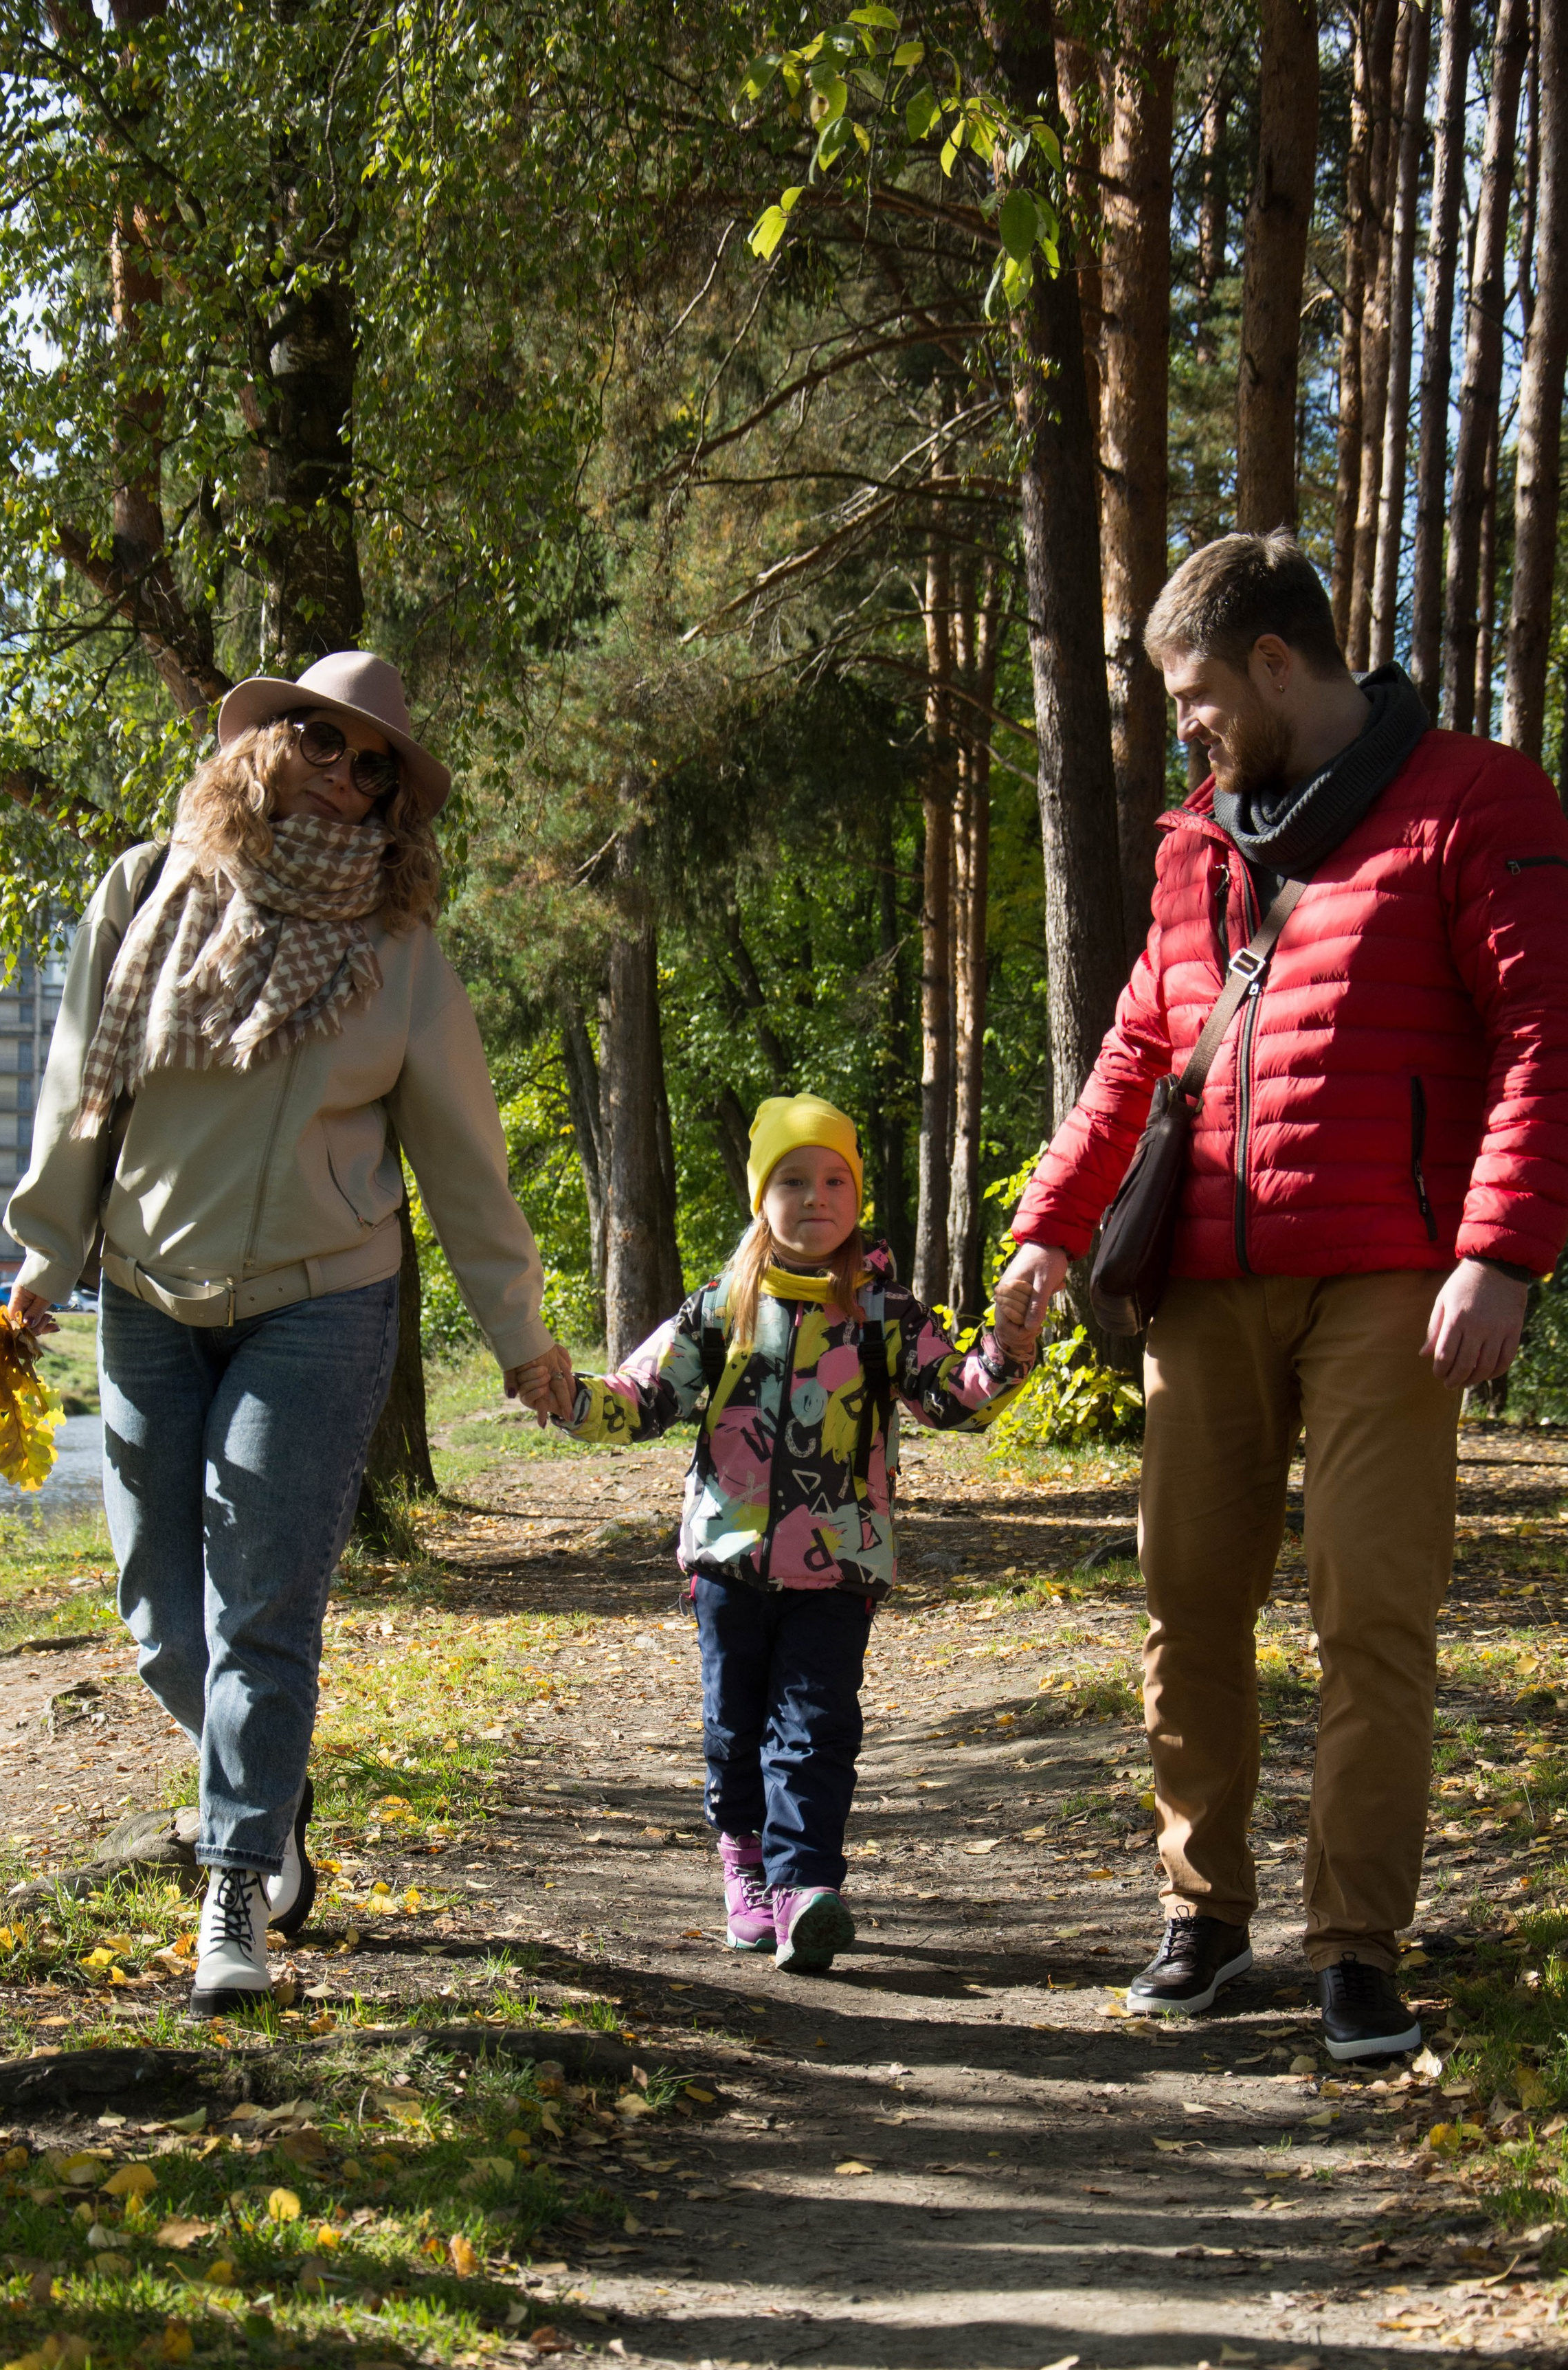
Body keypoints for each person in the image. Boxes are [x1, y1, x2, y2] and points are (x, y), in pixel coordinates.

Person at [996, 531, 1568, 2060]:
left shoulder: (1475, 800)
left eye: (1191, 693)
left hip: (1392, 1271)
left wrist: (1498, 1253)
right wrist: (1048, 1232)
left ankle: (1355, 1945)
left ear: (1271, 663)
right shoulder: (1198, 846)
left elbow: (1538, 1038)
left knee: (1368, 1614)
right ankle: (1201, 1909)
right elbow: (1135, 1051)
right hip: (1202, 1282)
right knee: (1187, 1603)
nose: (1180, 725)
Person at [5, 651, 574, 2017]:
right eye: (328, 743)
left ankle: (235, 1887)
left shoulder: (397, 952)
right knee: (160, 1618)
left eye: (379, 764)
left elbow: (462, 1159)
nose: (351, 775)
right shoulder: (147, 892)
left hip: (322, 1303)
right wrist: (42, 1256)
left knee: (263, 1610)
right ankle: (263, 1780)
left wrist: (520, 1333)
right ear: (268, 744)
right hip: (146, 1293)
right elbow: (84, 1084)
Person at [552, 1094, 1038, 1971]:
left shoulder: (884, 1310)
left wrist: (1006, 1349)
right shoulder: (722, 1306)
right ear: (760, 1198)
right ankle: (742, 1856)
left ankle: (805, 1885)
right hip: (727, 1562)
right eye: (791, 1180)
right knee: (734, 1728)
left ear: (855, 1198)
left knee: (816, 1726)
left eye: (834, 1179)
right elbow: (643, 1395)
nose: (815, 1197)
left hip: (839, 1563)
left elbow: (951, 1398)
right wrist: (568, 1396)